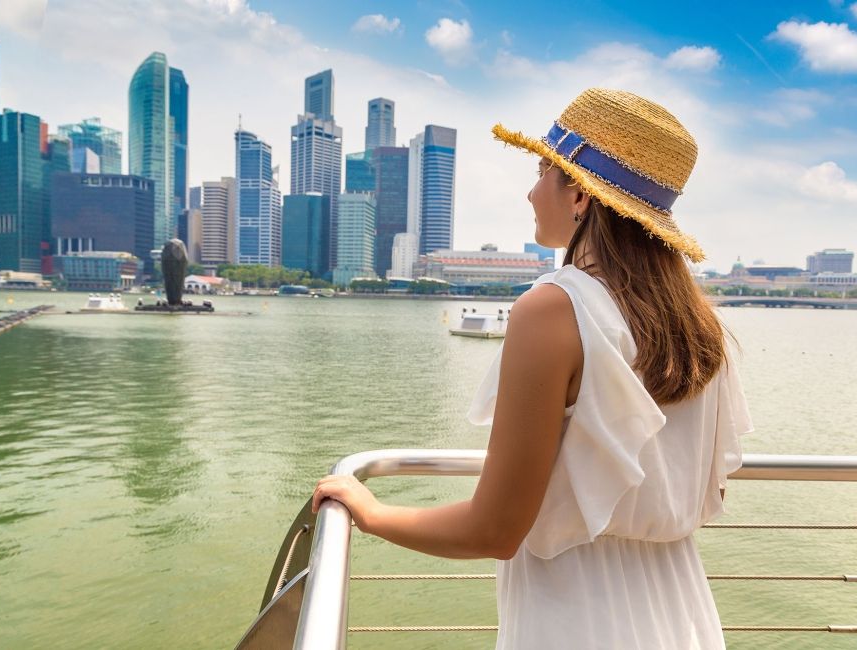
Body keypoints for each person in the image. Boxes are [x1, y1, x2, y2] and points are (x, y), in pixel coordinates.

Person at [312, 88, 752, 649]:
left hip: (577, 623)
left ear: (580, 197)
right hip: (682, 615)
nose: (530, 189)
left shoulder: (554, 308)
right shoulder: (696, 323)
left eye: (545, 168)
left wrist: (372, 512)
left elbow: (494, 528)